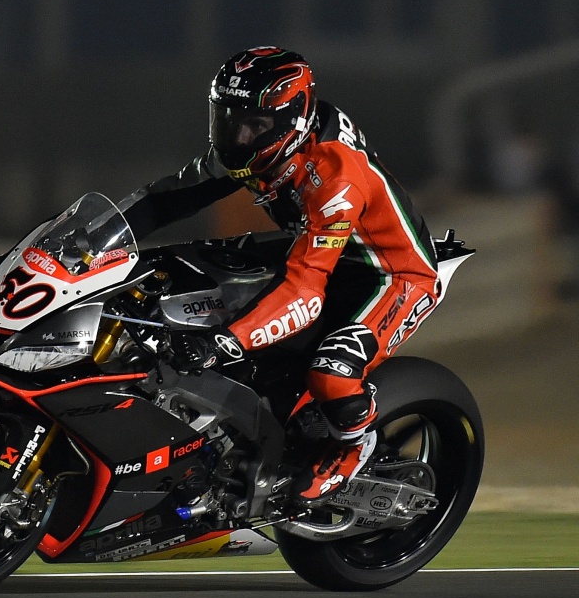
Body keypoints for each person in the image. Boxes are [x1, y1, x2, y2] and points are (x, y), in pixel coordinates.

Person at [119, 46, 439, 502]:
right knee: (189, 273)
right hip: (318, 248)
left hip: (390, 275)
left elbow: (304, 293)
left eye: (255, 125)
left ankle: (353, 449)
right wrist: (92, 239)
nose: (239, 136)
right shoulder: (264, 143)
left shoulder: (335, 177)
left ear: (294, 119)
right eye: (228, 118)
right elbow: (166, 199)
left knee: (333, 371)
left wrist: (221, 342)